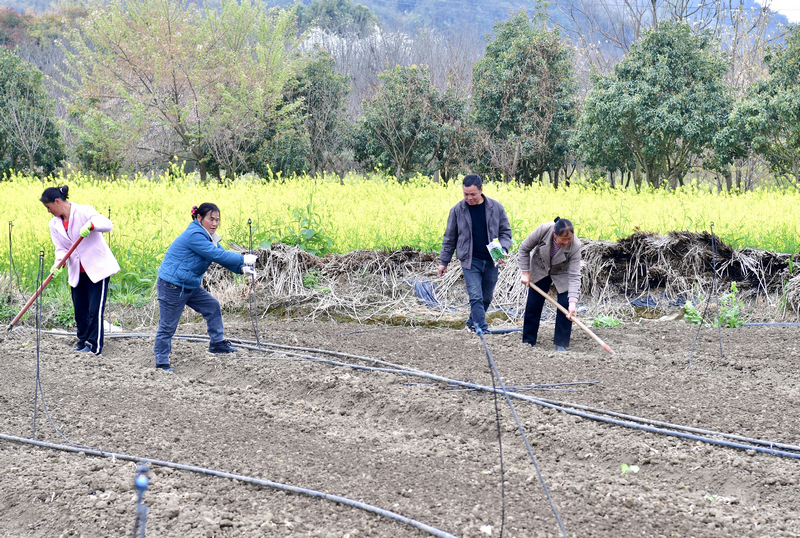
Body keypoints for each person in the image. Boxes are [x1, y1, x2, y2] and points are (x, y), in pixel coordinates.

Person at [154, 203, 257, 373]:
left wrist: (240, 268)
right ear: (199, 218)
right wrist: (243, 258)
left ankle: (217, 343)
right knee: (167, 326)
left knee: (212, 306)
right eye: (211, 219)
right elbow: (215, 255)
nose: (215, 223)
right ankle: (161, 363)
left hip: (189, 284)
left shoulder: (209, 236)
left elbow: (221, 256)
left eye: (217, 219)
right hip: (172, 285)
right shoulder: (194, 235)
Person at [41, 185, 120, 355]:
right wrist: (58, 263)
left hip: (97, 270)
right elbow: (61, 248)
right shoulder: (54, 224)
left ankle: (94, 346)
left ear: (57, 201)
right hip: (78, 271)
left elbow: (107, 224)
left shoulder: (84, 211)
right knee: (80, 309)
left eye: (48, 207)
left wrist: (92, 224)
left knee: (94, 310)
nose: (48, 211)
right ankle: (82, 340)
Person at [438, 174, 512, 333]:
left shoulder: (495, 208)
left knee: (486, 298)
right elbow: (450, 238)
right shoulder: (458, 210)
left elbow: (505, 232)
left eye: (472, 194)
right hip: (470, 261)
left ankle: (472, 323)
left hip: (492, 260)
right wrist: (444, 262)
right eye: (466, 194)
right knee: (475, 297)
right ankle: (482, 329)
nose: (469, 198)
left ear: (481, 190)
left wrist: (503, 250)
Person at [518, 217, 582, 351]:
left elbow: (575, 275)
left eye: (569, 238)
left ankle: (561, 343)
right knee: (533, 305)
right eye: (563, 239)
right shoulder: (544, 230)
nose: (567, 242)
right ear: (554, 234)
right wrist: (525, 272)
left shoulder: (575, 245)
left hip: (561, 272)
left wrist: (573, 303)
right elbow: (524, 248)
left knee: (565, 305)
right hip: (540, 267)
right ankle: (528, 342)